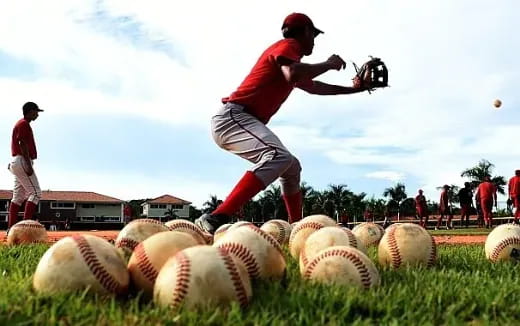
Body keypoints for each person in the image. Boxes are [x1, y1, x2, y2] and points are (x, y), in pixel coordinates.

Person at [196, 13, 370, 233]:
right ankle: (217, 216)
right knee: (279, 157)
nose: (314, 40)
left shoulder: (289, 59)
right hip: (234, 119)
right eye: (314, 34)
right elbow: (293, 74)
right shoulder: (289, 45)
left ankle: (296, 227)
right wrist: (328, 63)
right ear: (305, 31)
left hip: (241, 120)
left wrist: (354, 90)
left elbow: (315, 87)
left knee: (291, 167)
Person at [7, 102, 44, 235]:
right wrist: (28, 164)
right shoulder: (23, 123)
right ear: (30, 111)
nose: (37, 114)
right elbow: (22, 142)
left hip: (17, 161)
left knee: (18, 197)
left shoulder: (21, 123)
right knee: (36, 193)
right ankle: (24, 229)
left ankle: (11, 229)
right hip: (23, 160)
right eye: (36, 111)